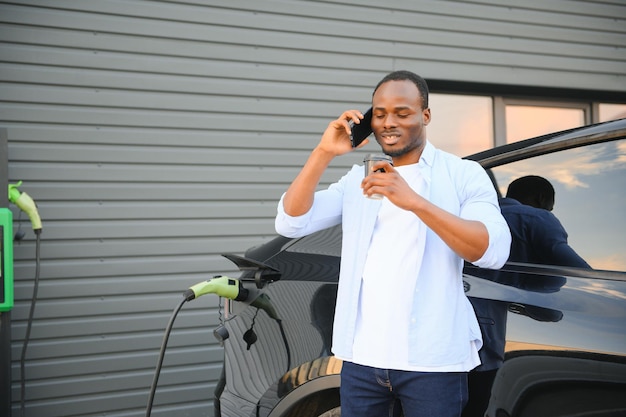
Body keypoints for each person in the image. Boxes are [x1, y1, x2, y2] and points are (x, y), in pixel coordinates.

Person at [274, 70, 511, 417]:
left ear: (425, 116)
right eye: (380, 113)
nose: (388, 122)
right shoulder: (360, 177)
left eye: (402, 112)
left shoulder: (463, 174)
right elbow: (291, 221)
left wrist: (414, 201)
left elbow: (491, 251)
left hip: (434, 361)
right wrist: (323, 152)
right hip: (362, 359)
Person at [463, 175, 589, 417]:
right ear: (541, 199)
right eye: (549, 206)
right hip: (484, 335)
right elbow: (578, 272)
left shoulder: (470, 217)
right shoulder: (536, 218)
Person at [500, 175, 590, 268]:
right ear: (541, 199)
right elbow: (573, 265)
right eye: (549, 209)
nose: (548, 212)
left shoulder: (487, 216)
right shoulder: (536, 217)